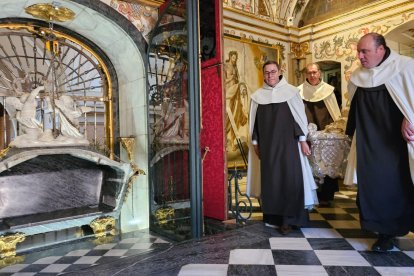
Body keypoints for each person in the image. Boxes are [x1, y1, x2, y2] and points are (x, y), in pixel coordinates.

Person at [345, 32, 414, 252]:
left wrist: (409, 117)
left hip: (398, 141)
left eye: (364, 51)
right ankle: (384, 233)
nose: (360, 56)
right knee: (374, 186)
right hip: (369, 141)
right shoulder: (358, 76)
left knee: (403, 183)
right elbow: (355, 107)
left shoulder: (405, 67)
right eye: (358, 52)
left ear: (381, 49)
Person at [246, 60, 318, 235]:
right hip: (268, 148)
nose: (270, 75)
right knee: (272, 182)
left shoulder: (292, 92)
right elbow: (253, 124)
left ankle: (290, 219)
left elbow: (299, 119)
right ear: (263, 74)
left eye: (273, 71)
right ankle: (274, 217)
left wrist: (302, 140)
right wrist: (255, 143)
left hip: (289, 146)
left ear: (279, 72)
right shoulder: (257, 96)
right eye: (267, 72)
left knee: (289, 180)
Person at [298, 63, 342, 207]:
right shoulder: (299, 91)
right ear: (306, 74)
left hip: (326, 134)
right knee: (309, 163)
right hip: (307, 135)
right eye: (309, 72)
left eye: (314, 72)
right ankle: (311, 193)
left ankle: (327, 194)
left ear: (320, 73)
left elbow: (335, 112)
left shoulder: (329, 91)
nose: (312, 75)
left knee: (328, 162)